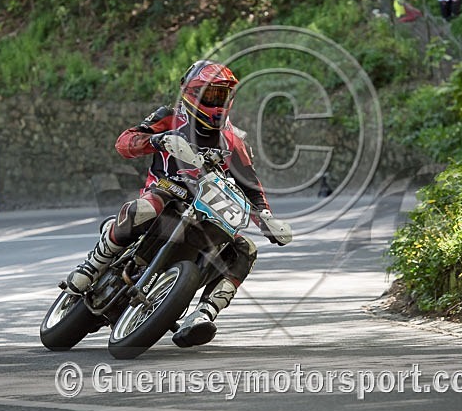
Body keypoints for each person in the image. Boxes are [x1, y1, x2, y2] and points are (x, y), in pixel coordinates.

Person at [63, 60, 291, 347]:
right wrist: (158, 140)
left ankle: (204, 314)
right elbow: (125, 142)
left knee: (247, 249)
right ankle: (91, 267)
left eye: (223, 96)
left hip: (209, 210)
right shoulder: (169, 118)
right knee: (145, 208)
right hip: (167, 192)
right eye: (211, 95)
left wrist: (267, 218)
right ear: (192, 93)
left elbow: (251, 186)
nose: (218, 103)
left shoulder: (233, 140)